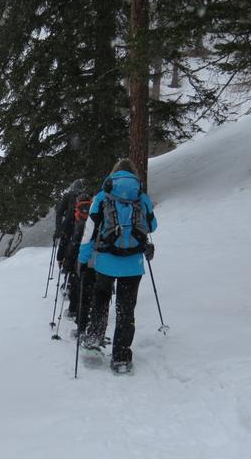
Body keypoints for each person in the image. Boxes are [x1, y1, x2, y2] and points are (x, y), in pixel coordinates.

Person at [78, 158, 157, 374]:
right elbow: (153, 225)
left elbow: (89, 233)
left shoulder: (103, 196)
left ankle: (94, 339)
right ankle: (121, 357)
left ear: (114, 174)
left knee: (101, 299)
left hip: (106, 261)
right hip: (133, 263)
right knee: (126, 309)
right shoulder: (140, 196)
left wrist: (83, 261)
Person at [60, 192, 92, 320]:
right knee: (88, 287)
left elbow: (71, 243)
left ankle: (75, 311)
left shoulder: (76, 219)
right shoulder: (95, 215)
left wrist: (65, 264)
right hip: (94, 260)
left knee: (76, 284)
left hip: (78, 260)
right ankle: (87, 311)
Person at [54, 178, 86, 271]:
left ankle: (62, 262)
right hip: (82, 225)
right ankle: (78, 262)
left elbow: (59, 213)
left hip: (69, 223)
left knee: (65, 241)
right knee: (78, 242)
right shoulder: (86, 197)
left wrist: (58, 228)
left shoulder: (67, 196)